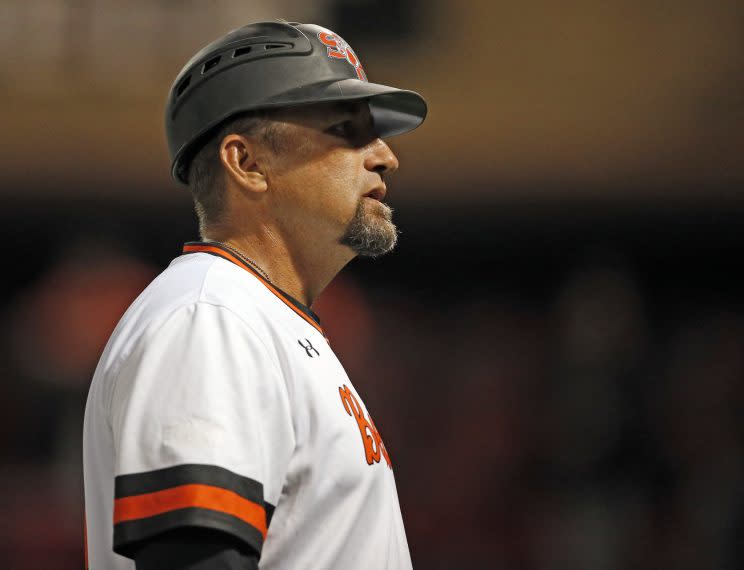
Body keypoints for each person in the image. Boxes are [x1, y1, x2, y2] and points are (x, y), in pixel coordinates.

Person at [82, 21, 427, 570]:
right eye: (348, 128)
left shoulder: (257, 318)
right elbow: (195, 556)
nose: (385, 156)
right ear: (247, 163)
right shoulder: (211, 318)